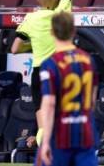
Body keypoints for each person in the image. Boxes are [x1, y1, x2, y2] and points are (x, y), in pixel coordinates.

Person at [11, 0, 72, 147]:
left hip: (39, 72)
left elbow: (15, 48)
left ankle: (42, 147)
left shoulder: (30, 18)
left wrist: (34, 46)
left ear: (38, 1)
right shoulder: (62, 11)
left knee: (43, 124)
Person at [38, 11, 99, 166]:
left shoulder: (50, 64)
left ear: (51, 32)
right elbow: (92, 101)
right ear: (74, 31)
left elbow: (49, 103)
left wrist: (45, 141)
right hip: (85, 132)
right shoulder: (89, 60)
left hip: (60, 135)